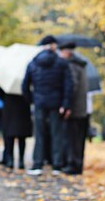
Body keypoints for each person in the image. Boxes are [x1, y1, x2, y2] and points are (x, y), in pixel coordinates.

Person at [22, 35, 72, 175]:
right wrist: (65, 103)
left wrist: (31, 99)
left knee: (39, 134)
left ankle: (37, 164)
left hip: (39, 102)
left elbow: (25, 85)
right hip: (56, 103)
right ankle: (57, 165)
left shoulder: (33, 63)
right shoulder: (61, 63)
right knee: (57, 134)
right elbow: (68, 85)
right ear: (53, 46)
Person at [58, 42, 88, 175]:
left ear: (67, 52)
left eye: (61, 52)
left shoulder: (70, 66)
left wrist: (67, 106)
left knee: (71, 138)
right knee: (78, 139)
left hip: (74, 109)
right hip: (81, 108)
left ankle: (72, 164)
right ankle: (78, 164)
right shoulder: (80, 66)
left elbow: (73, 87)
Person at [0, 87, 32, 170]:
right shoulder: (24, 76)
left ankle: (10, 160)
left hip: (9, 106)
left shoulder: (7, 80)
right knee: (21, 137)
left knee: (10, 136)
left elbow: (0, 93)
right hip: (22, 106)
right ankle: (20, 161)